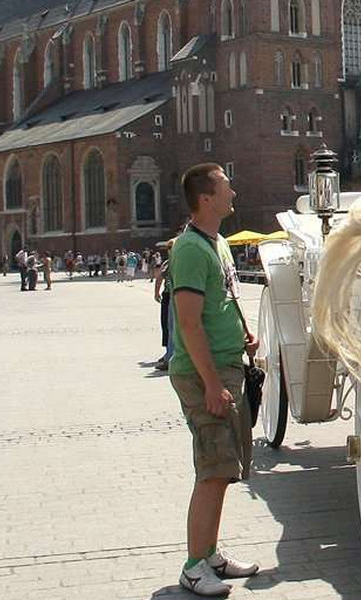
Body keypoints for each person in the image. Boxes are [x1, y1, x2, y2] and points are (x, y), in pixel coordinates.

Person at [169, 163, 259, 596]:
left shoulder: (218, 242)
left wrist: (243, 334)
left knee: (224, 469)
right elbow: (188, 323)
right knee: (211, 468)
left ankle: (210, 554)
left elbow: (221, 299)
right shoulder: (189, 249)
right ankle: (192, 566)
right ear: (206, 198)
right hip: (203, 373)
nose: (233, 191)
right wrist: (209, 382)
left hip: (227, 364)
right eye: (226, 185)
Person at [154, 239, 176, 371]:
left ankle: (170, 357)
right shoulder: (169, 263)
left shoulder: (171, 263)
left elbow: (159, 278)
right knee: (168, 326)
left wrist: (156, 293)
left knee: (170, 326)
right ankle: (168, 354)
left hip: (173, 297)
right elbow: (159, 278)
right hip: (170, 296)